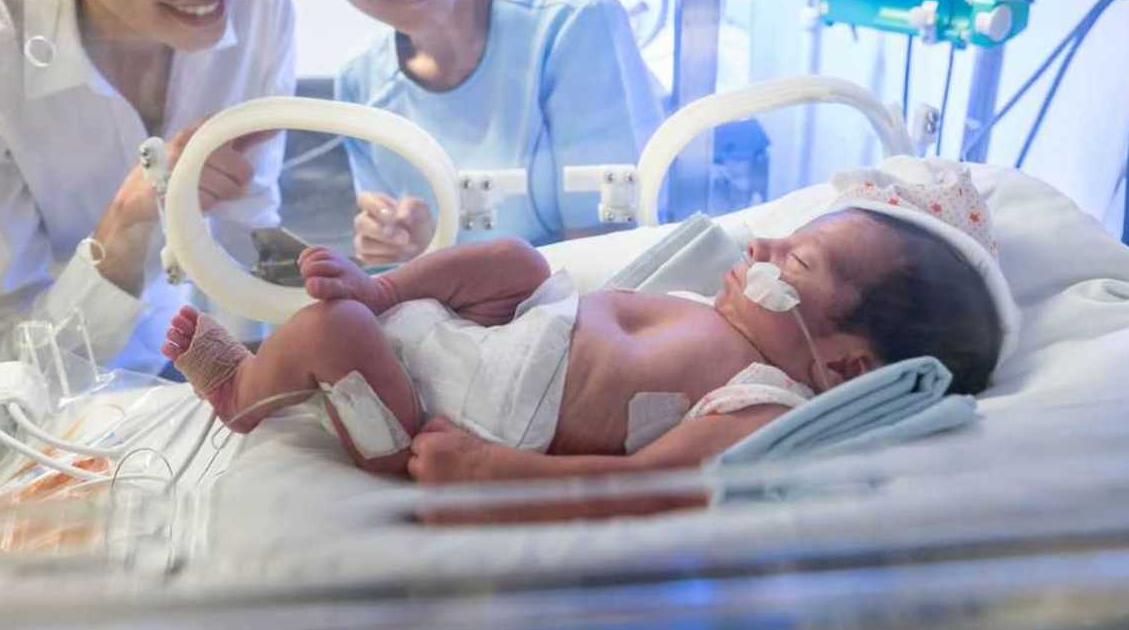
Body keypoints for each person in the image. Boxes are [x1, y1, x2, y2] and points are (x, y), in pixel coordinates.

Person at [162, 178, 1005, 491]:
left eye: (802, 259)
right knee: (509, 256)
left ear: (846, 359)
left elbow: (648, 485)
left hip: (456, 418)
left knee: (333, 330)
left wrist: (499, 476)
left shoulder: (759, 399)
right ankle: (381, 285)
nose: (763, 246)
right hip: (506, 338)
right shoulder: (715, 312)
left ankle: (245, 391)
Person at [0, 0, 297, 426]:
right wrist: (128, 220)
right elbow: (9, 358)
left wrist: (261, 387)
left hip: (155, 323)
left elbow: (244, 229)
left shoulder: (260, 7)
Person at [313, 0, 664, 264]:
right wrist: (401, 248)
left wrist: (448, 272)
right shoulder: (361, 82)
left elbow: (608, 257)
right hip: (454, 325)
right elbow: (399, 270)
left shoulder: (572, 23)